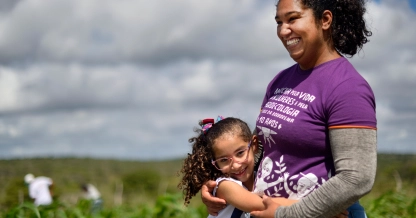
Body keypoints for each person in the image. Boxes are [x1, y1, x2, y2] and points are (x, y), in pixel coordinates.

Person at [201, 0, 377, 217]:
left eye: (293, 19)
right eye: (279, 22)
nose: (283, 31)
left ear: (325, 20)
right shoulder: (281, 80)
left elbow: (356, 178)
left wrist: (287, 214)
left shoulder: (347, 87)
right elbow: (260, 153)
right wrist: (219, 189)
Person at [178, 116, 298, 218]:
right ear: (215, 163)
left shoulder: (261, 178)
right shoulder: (225, 186)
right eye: (224, 160)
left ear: (254, 145)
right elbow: (264, 205)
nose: (235, 165)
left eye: (240, 153)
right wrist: (308, 204)